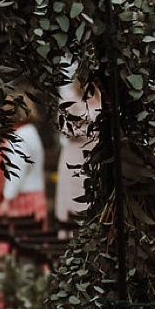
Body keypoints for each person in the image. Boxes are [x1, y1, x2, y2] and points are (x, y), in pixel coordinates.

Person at [0, 98, 47, 228]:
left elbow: (15, 172)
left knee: (15, 244)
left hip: (22, 199)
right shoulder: (32, 131)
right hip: (36, 195)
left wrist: (7, 201)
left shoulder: (17, 138)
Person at [55, 79, 101, 224]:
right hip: (75, 154)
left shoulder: (100, 97)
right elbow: (65, 128)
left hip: (95, 153)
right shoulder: (70, 97)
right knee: (75, 191)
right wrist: (86, 127)